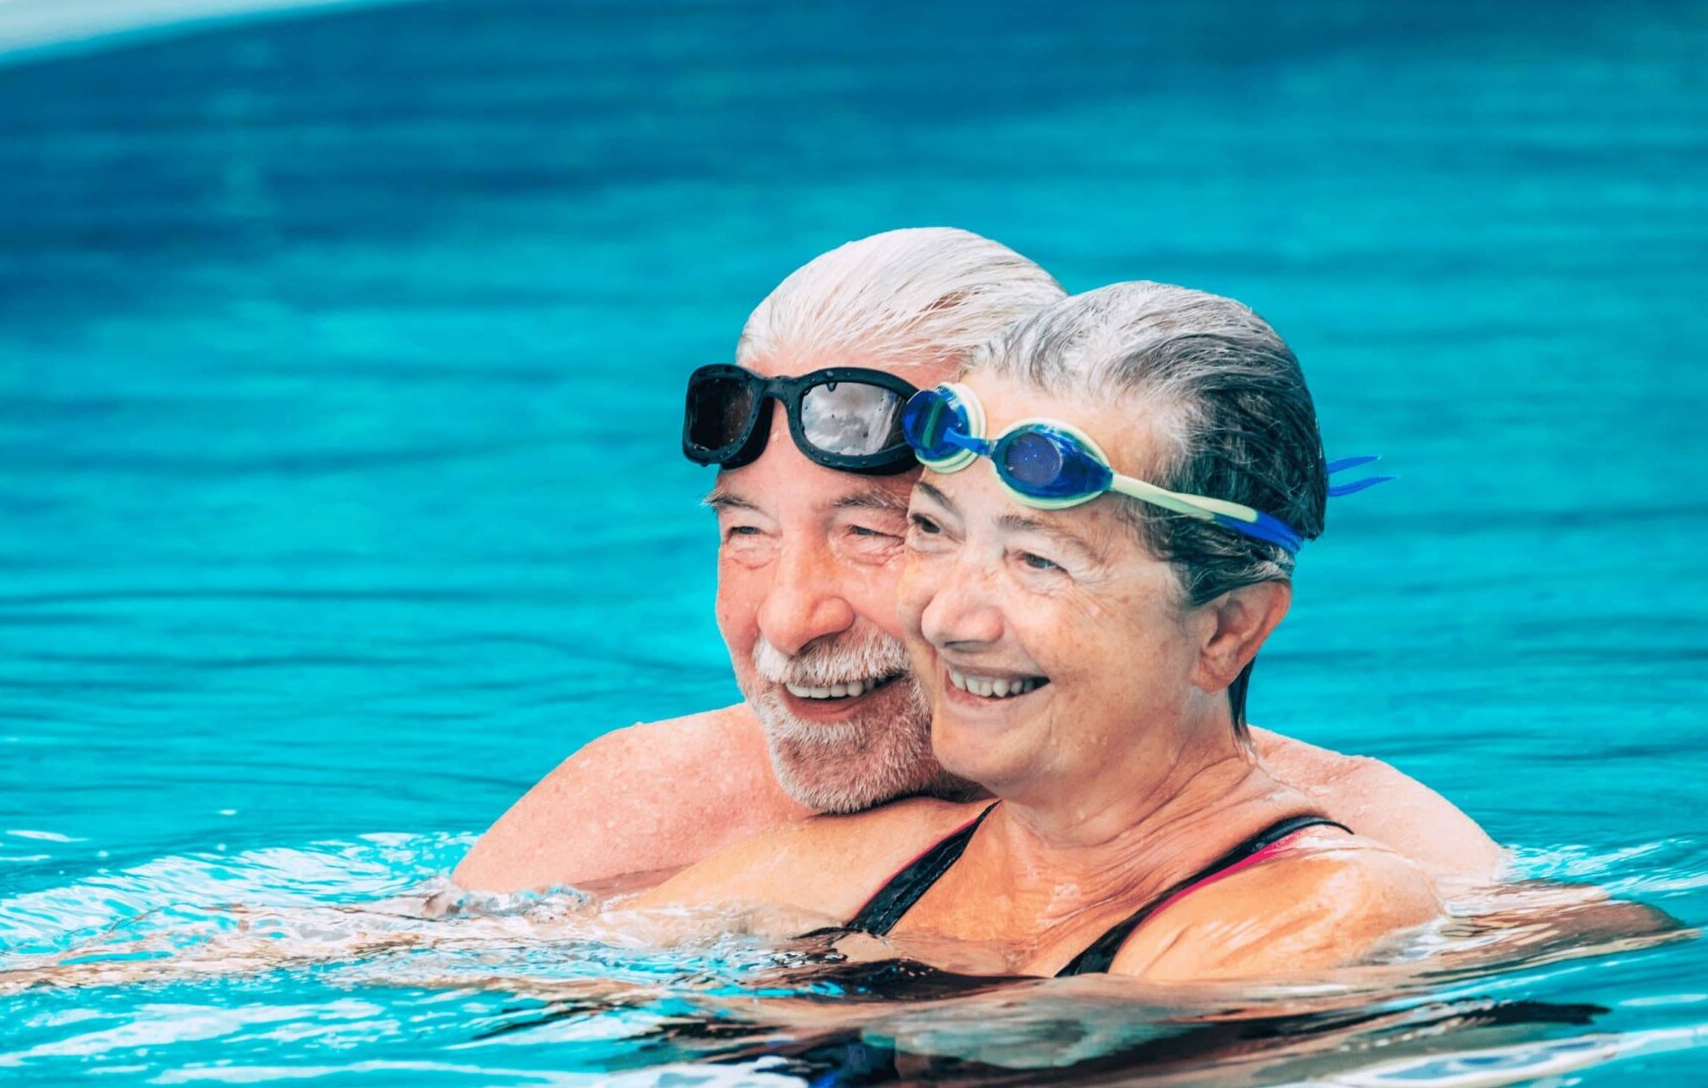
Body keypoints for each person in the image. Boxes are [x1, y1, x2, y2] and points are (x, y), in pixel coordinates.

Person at [455, 233, 1500, 895]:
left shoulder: (1360, 859)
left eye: (879, 530)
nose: (786, 620)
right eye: (747, 533)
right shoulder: (647, 806)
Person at [641, 283, 1466, 980]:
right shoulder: (848, 868)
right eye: (932, 530)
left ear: (1226, 629)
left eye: (1039, 561)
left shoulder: (1328, 912)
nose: (949, 617)